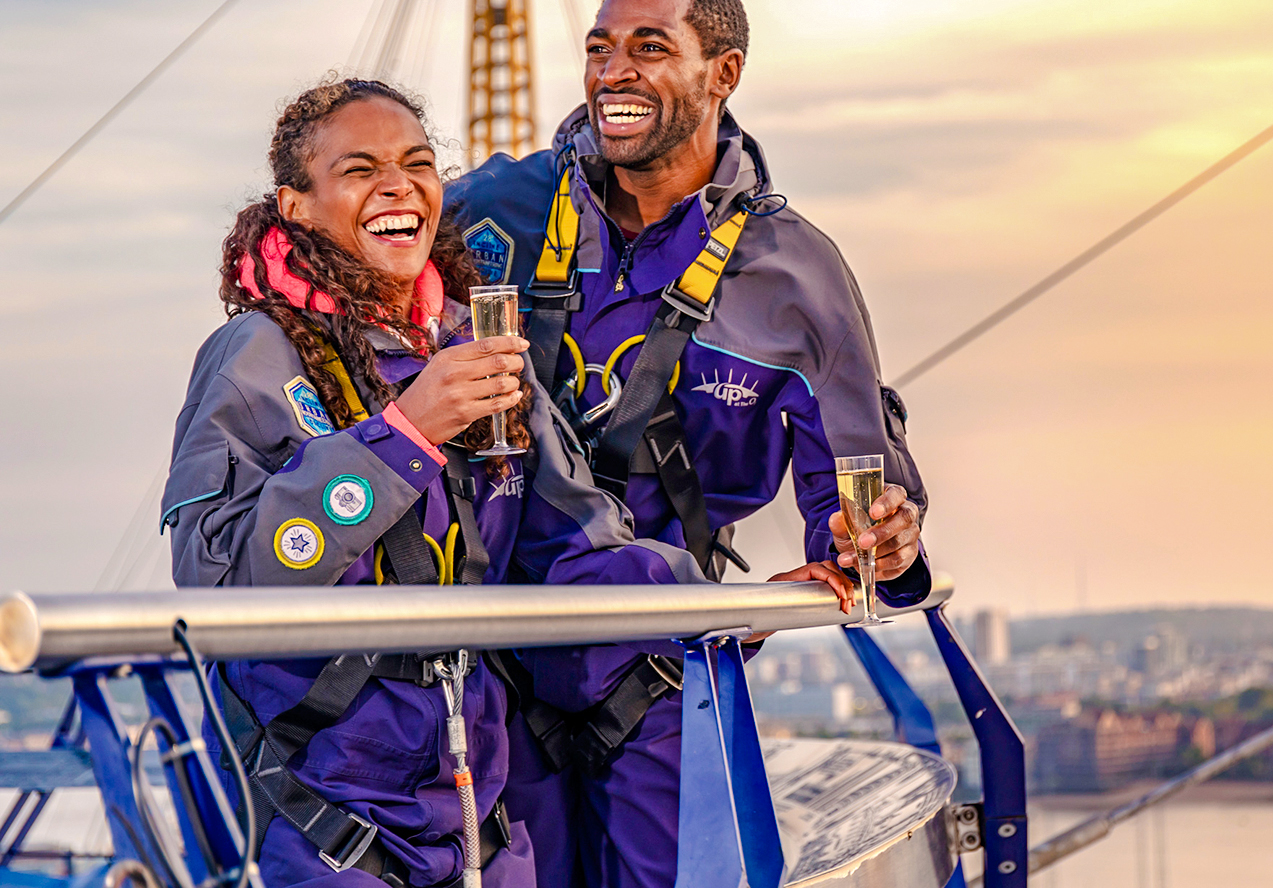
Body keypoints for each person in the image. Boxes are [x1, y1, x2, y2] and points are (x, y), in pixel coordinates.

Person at [162, 78, 853, 886]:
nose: (397, 183)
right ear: (298, 206)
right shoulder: (256, 355)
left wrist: (720, 608)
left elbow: (578, 547)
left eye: (417, 163)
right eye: (359, 170)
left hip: (470, 813)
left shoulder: (471, 345)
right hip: (317, 813)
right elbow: (213, 577)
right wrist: (404, 434)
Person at [445, 0, 931, 888]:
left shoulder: (792, 276)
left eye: (649, 47)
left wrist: (880, 544)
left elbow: (864, 491)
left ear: (725, 74)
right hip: (486, 670)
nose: (612, 72)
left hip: (666, 678)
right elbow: (346, 245)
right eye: (599, 49)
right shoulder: (493, 211)